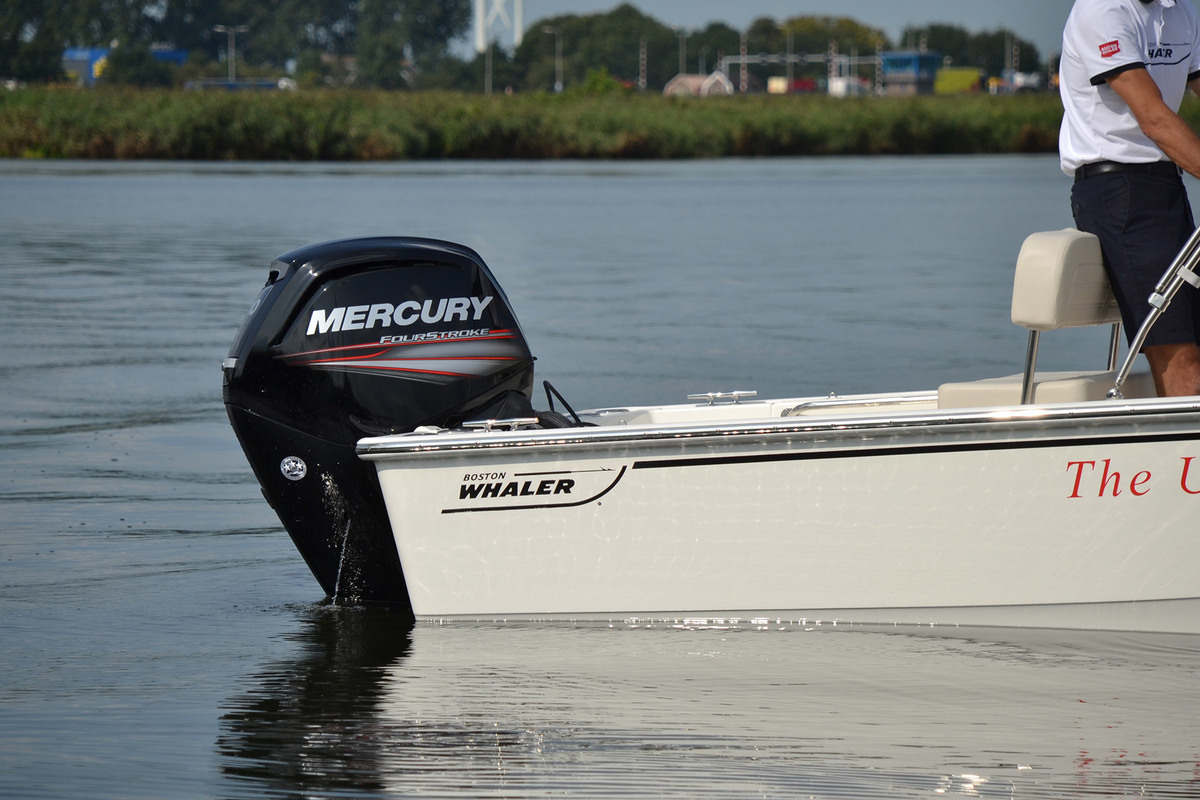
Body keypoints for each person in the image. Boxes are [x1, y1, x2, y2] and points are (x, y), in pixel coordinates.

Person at [1059, 0, 1200, 396]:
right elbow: (1153, 119)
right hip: (1117, 193)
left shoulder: (1182, 10)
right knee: (1183, 361)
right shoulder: (1102, 10)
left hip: (1168, 186)